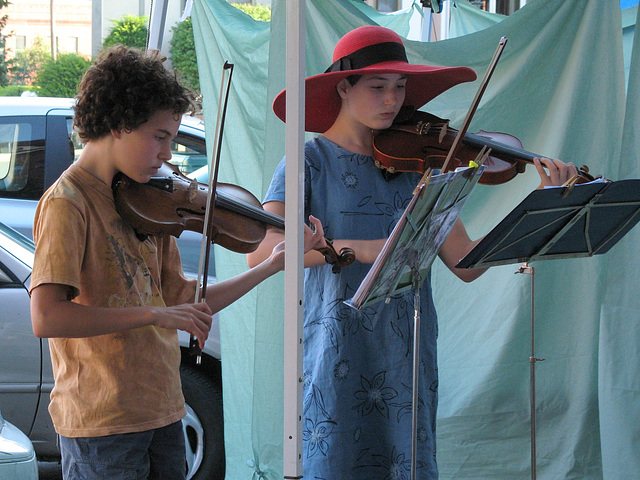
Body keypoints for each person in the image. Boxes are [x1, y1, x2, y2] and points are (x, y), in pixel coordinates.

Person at [246, 25, 579, 479]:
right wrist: (361, 249)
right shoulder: (307, 161)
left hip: (408, 347)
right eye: (378, 87)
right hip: (337, 345)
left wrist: (540, 206)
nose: (393, 100)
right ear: (343, 87)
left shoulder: (419, 168)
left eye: (400, 87)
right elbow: (264, 251)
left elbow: (465, 262)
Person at [29, 45, 326, 480]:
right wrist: (154, 314)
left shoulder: (149, 203)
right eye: (160, 137)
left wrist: (270, 266)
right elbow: (47, 316)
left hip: (165, 409)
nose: (169, 154)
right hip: (102, 422)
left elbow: (185, 300)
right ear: (118, 124)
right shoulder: (67, 204)